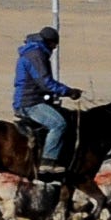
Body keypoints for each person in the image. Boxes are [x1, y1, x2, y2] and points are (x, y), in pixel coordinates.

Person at [11, 26, 80, 170]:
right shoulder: (36, 55)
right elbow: (45, 82)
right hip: (30, 102)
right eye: (55, 45)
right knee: (58, 124)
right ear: (49, 42)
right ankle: (48, 161)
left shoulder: (33, 52)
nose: (55, 49)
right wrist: (68, 92)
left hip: (34, 99)